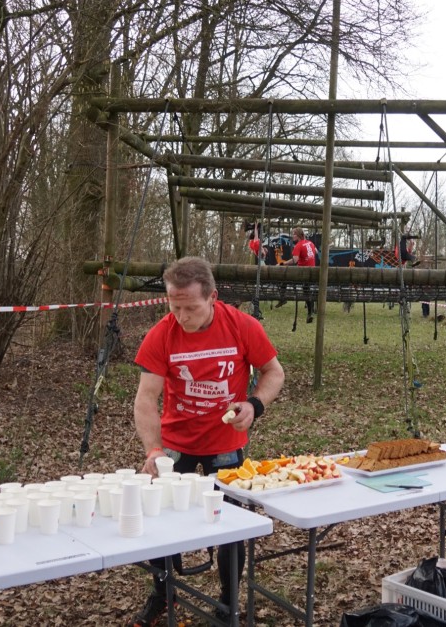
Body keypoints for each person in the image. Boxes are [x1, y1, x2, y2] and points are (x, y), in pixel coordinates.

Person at [127, 256, 285, 627]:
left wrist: (254, 404)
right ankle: (163, 593)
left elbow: (274, 372)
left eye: (191, 308)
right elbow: (145, 399)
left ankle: (228, 601)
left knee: (231, 525)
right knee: (162, 519)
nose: (182, 317)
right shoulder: (161, 335)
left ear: (213, 297)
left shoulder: (241, 326)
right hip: (175, 444)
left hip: (226, 443)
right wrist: (153, 450)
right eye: (174, 306)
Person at [281, 226, 317, 323]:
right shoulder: (310, 243)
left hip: (302, 272)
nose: (292, 236)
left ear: (298, 235)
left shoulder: (298, 245)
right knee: (306, 290)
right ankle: (310, 313)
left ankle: (282, 297)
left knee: (285, 276)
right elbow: (316, 251)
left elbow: (295, 260)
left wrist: (283, 263)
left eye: (294, 234)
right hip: (312, 271)